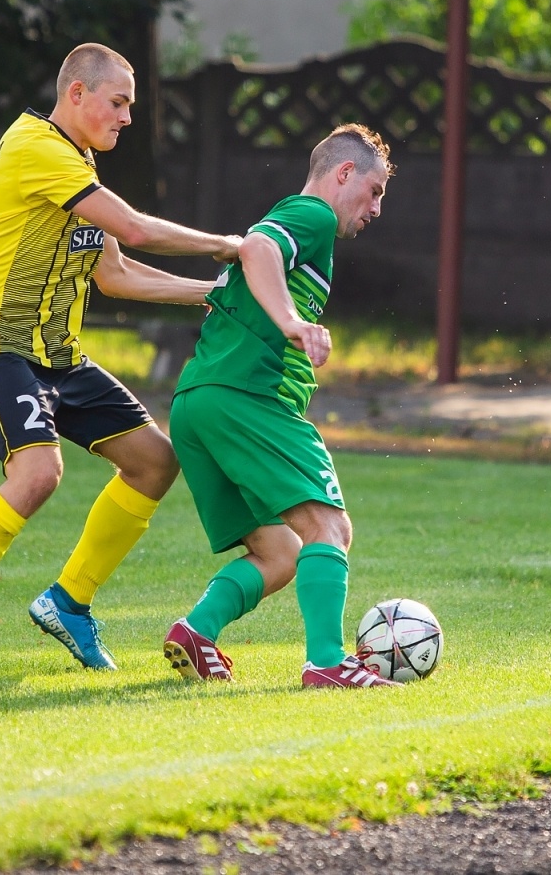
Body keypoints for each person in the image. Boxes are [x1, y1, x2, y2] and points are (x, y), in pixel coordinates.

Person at [0, 43, 243, 673]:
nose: (128, 117)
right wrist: (225, 247)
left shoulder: (78, 163)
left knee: (154, 463)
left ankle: (69, 602)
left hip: (57, 357)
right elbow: (134, 230)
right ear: (76, 94)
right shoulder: (34, 148)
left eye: (130, 106)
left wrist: (210, 295)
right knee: (37, 475)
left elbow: (112, 271)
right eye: (119, 102)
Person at [161, 123, 398, 689]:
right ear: (344, 173)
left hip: (197, 402)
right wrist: (293, 322)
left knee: (280, 553)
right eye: (376, 190)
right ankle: (327, 662)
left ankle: (197, 630)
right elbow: (258, 247)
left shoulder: (305, 226)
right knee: (329, 528)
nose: (377, 207)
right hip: (250, 397)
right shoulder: (312, 216)